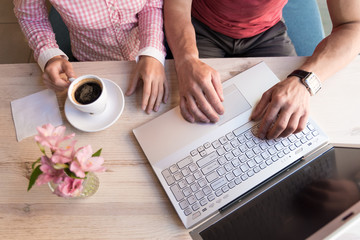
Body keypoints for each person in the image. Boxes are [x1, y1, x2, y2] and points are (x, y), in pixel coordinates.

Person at [164, 0, 360, 139]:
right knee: (192, 122)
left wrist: (304, 81)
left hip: (267, 31)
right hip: (200, 25)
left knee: (288, 121)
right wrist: (185, 60)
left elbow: (353, 24)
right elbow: (178, 6)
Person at [14, 0, 168, 114]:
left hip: (146, 57)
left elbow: (151, 4)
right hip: (90, 62)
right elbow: (31, 17)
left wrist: (152, 51)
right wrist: (49, 55)